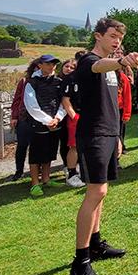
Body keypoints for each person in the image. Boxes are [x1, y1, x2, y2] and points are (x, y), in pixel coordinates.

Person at [67, 18, 138, 275]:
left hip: (109, 134)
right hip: (93, 134)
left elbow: (111, 103)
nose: (117, 41)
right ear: (98, 36)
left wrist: (118, 136)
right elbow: (98, 65)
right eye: (112, 36)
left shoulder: (112, 67)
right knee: (95, 192)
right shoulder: (89, 61)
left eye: (120, 38)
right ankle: (80, 263)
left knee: (103, 192)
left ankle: (95, 243)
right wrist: (122, 61)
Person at [24, 55, 66, 196]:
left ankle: (46, 179)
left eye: (54, 64)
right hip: (38, 124)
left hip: (55, 122)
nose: (51, 66)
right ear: (40, 65)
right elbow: (31, 105)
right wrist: (48, 120)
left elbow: (64, 102)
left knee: (49, 152)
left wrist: (57, 118)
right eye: (48, 63)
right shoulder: (32, 82)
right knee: (36, 154)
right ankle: (35, 183)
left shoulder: (59, 82)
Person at [6, 61, 41, 182]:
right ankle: (19, 171)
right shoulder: (24, 81)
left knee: (37, 146)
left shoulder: (47, 81)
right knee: (21, 146)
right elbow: (16, 100)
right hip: (24, 118)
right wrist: (14, 117)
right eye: (37, 67)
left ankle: (38, 171)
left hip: (39, 119)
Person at [59, 58, 82, 187]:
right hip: (76, 116)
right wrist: (74, 116)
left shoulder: (87, 77)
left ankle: (81, 170)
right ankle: (71, 174)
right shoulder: (70, 79)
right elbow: (65, 100)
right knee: (74, 146)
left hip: (88, 116)